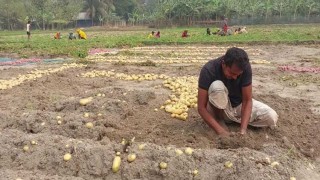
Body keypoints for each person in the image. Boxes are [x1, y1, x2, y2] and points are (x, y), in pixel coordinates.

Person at [198, 47, 278, 136]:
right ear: (224, 64)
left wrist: (243, 130)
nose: (235, 77)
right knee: (217, 86)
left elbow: (247, 101)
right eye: (232, 73)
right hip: (220, 109)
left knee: (271, 117)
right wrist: (221, 132)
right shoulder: (209, 70)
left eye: (238, 75)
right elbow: (201, 108)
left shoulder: (245, 68)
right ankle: (219, 119)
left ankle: (234, 120)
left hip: (238, 107)